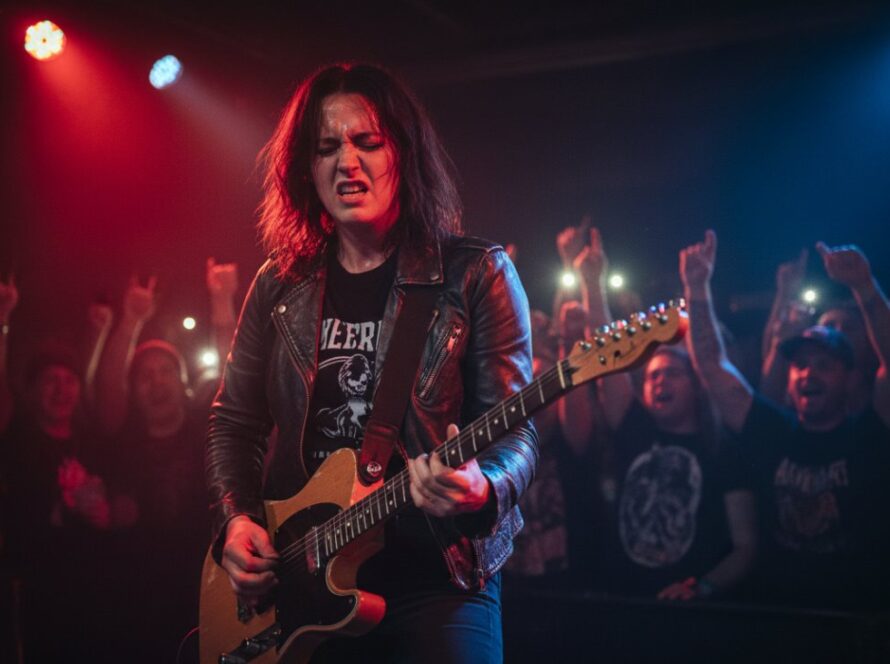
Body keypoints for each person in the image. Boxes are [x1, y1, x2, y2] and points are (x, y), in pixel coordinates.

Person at [206, 63, 536, 663]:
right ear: (307, 169)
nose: (346, 161)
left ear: (402, 156)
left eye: (367, 142)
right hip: (303, 583)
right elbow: (235, 422)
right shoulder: (279, 285)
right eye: (327, 146)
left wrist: (481, 487)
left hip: (436, 577)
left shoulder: (475, 273)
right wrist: (237, 520)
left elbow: (515, 431)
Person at [679, 231, 890, 610]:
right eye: (801, 365)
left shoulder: (870, 434)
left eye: (824, 365)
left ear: (850, 378)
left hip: (858, 624)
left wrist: (864, 287)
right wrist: (697, 289)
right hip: (779, 620)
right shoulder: (770, 431)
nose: (809, 374)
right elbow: (712, 366)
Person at [559, 227, 757, 600]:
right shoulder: (636, 428)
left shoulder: (721, 448)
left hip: (691, 610)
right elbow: (606, 358)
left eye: (672, 374)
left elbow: (746, 545)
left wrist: (703, 587)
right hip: (626, 604)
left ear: (695, 385)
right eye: (652, 376)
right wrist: (592, 283)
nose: (660, 382)